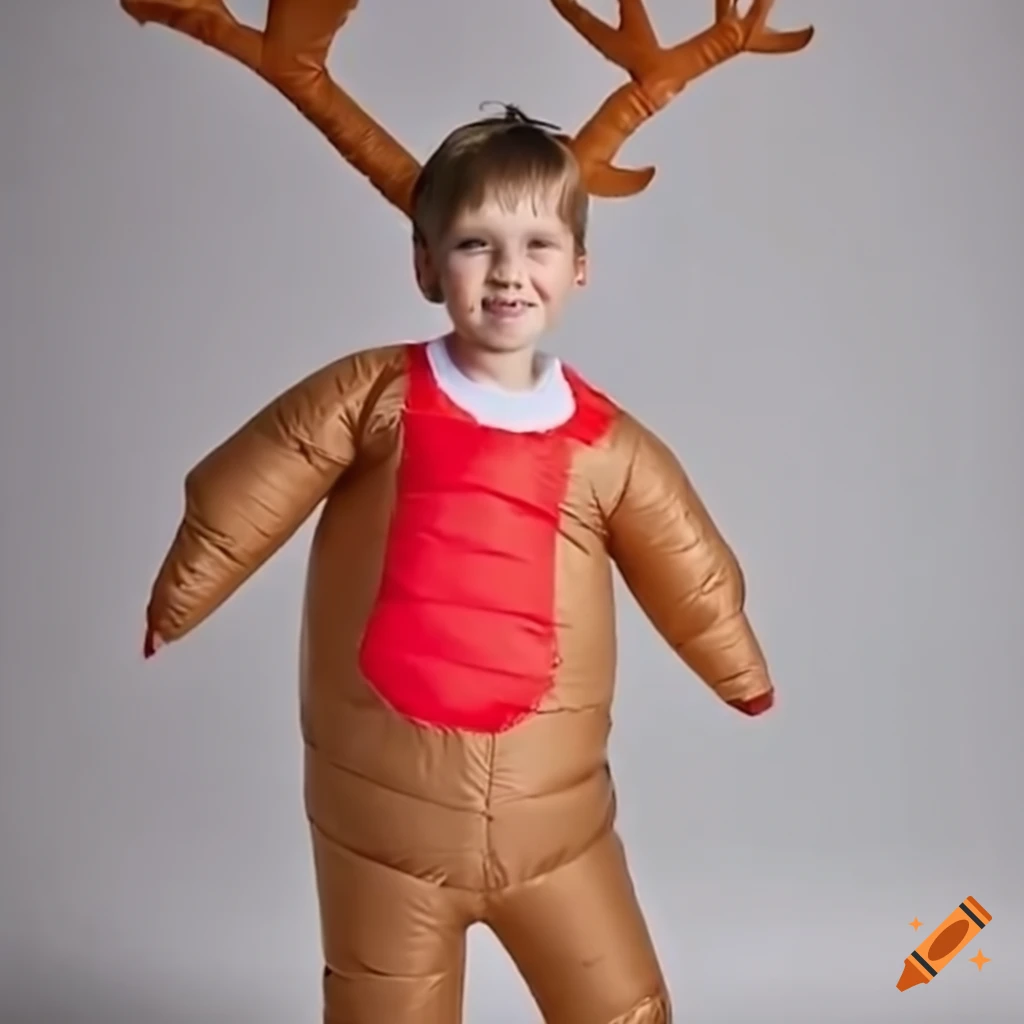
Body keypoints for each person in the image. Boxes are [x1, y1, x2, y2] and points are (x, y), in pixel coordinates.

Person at [145, 109, 775, 1024]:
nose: (510, 271)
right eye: (477, 243)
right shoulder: (374, 398)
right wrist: (180, 597)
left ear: (579, 267)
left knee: (620, 1008)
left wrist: (740, 671)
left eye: (539, 244)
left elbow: (690, 568)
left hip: (555, 826)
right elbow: (253, 486)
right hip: (382, 820)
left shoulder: (608, 446)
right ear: (425, 264)